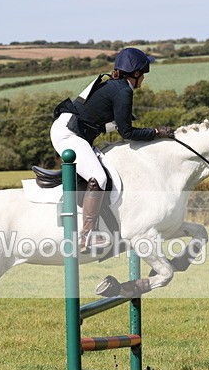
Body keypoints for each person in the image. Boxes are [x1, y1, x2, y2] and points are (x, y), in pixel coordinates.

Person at [50, 47, 176, 253]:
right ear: (135, 74)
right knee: (98, 178)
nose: (144, 78)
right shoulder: (123, 90)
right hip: (69, 134)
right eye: (143, 73)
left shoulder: (115, 85)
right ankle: (86, 237)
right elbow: (126, 132)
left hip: (76, 132)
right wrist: (156, 132)